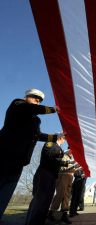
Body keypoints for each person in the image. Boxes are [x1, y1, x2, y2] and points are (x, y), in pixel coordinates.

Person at [0, 89, 59, 220]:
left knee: (5, 195)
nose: (37, 103)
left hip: (19, 161)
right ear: (27, 96)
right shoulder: (18, 105)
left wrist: (56, 138)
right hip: (4, 155)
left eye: (39, 102)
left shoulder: (35, 119)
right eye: (35, 100)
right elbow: (29, 108)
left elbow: (37, 135)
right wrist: (53, 110)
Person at [25, 135, 68, 225]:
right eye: (64, 138)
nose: (65, 140)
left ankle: (40, 221)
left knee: (47, 201)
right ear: (60, 138)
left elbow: (56, 161)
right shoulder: (51, 143)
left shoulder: (59, 149)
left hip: (52, 176)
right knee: (40, 199)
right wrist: (61, 155)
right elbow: (49, 155)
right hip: (44, 173)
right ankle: (31, 222)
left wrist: (67, 163)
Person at [48, 149, 77, 224]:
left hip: (70, 177)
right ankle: (51, 212)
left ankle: (64, 215)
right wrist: (73, 165)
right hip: (63, 176)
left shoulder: (71, 158)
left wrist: (76, 167)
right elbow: (61, 167)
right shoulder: (63, 156)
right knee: (60, 195)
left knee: (66, 196)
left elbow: (72, 169)